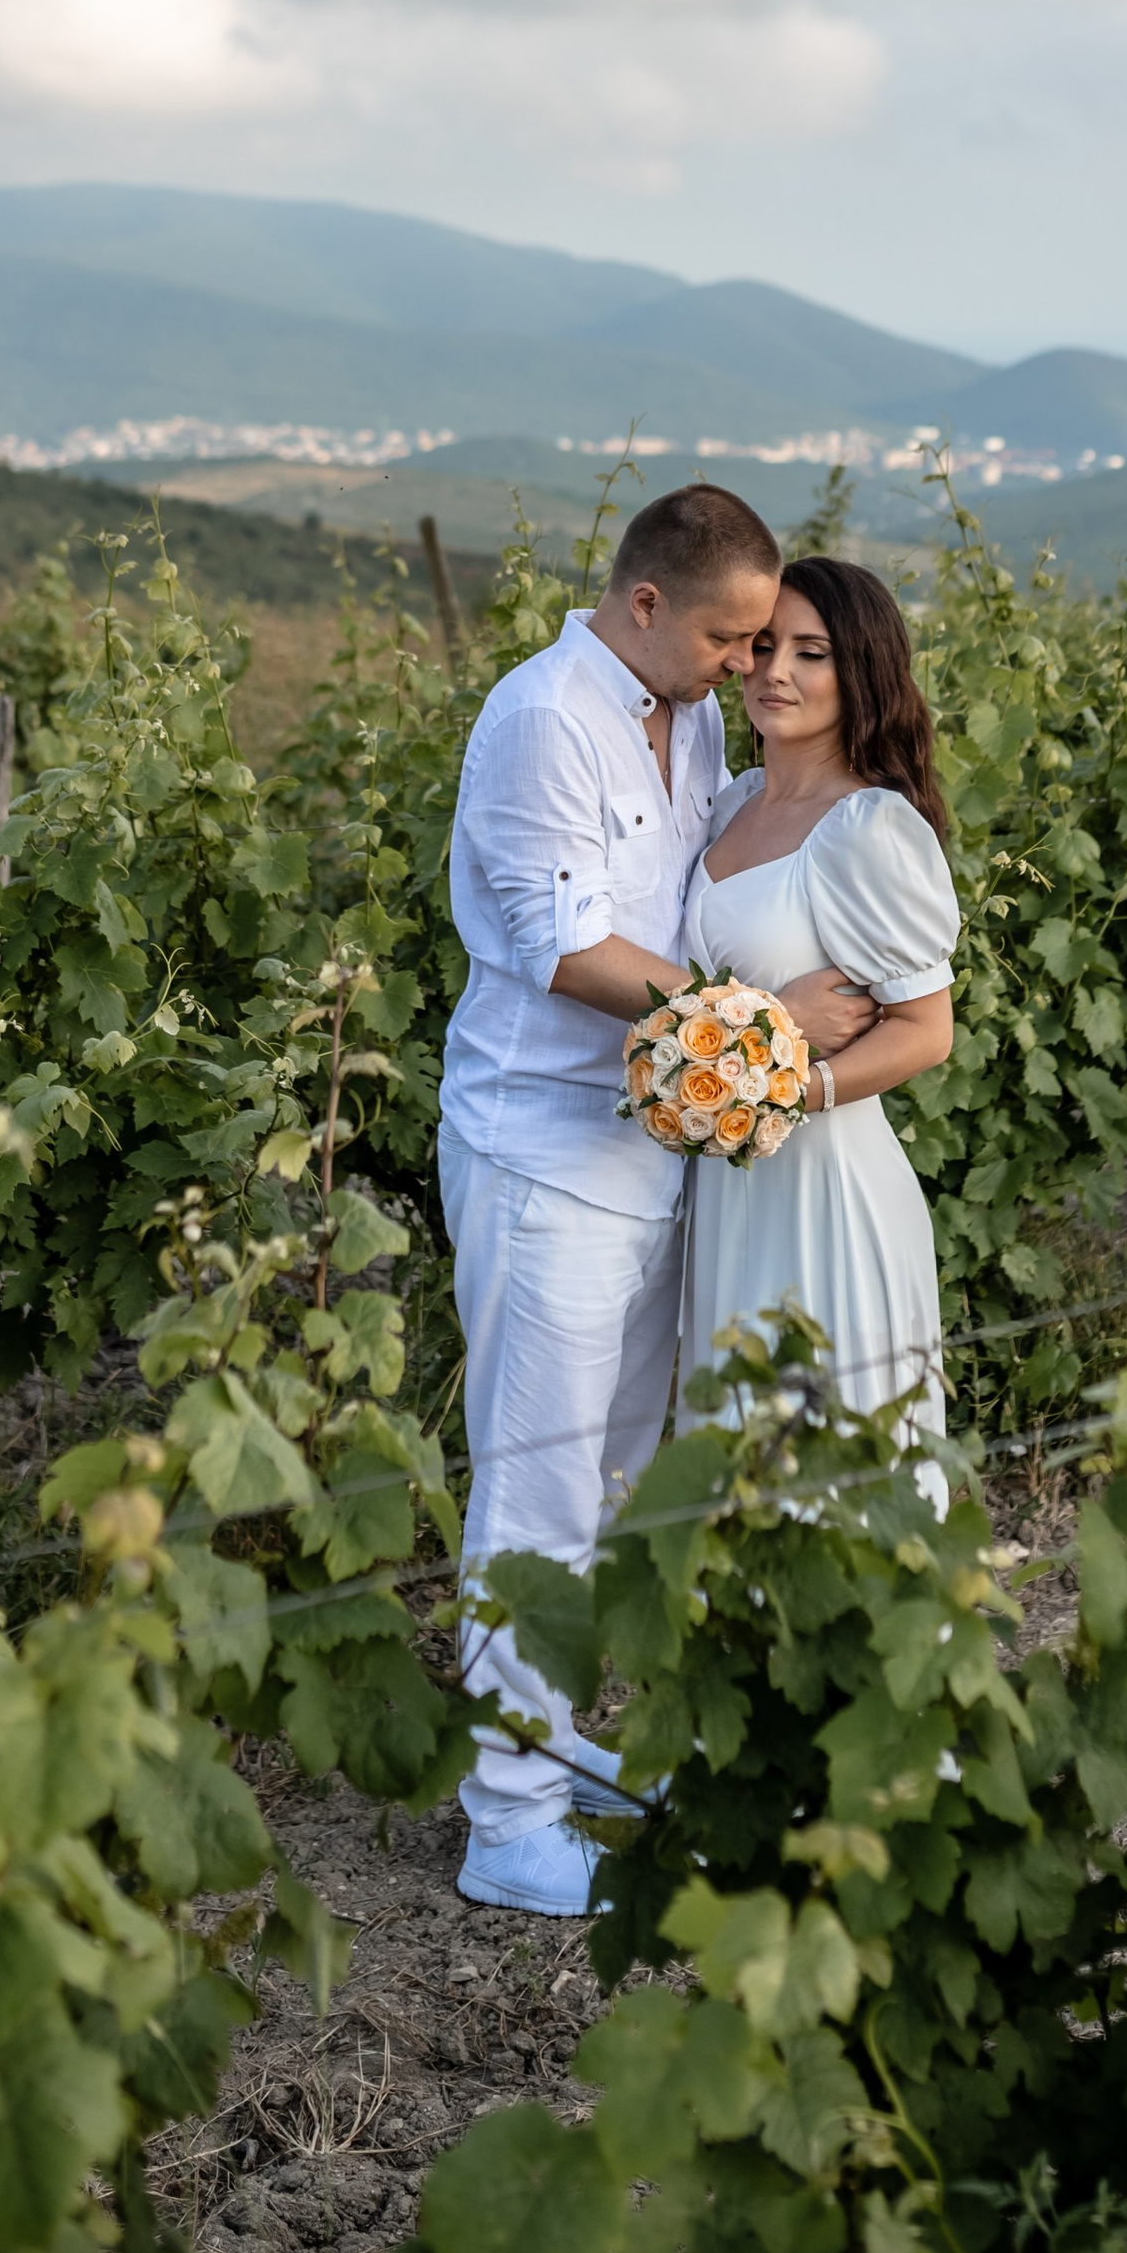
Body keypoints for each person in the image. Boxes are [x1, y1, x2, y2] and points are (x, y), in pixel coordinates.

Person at [438, 481, 877, 1917]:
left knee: (610, 1472)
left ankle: (558, 1744)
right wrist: (759, 1019)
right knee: (537, 1477)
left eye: (768, 645)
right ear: (644, 605)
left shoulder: (681, 713)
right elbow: (566, 947)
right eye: (732, 638)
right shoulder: (543, 720)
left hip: (649, 1152)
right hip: (543, 1152)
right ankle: (506, 1820)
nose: (750, 667)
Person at [679, 556, 959, 1448]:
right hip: (728, 1190)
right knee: (734, 1464)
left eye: (812, 653)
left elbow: (927, 1030)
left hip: (825, 1186)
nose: (776, 673)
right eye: (763, 647)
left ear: (861, 674)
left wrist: (781, 1089)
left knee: (829, 1465)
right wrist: (752, 1039)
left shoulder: (868, 828)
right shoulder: (734, 802)